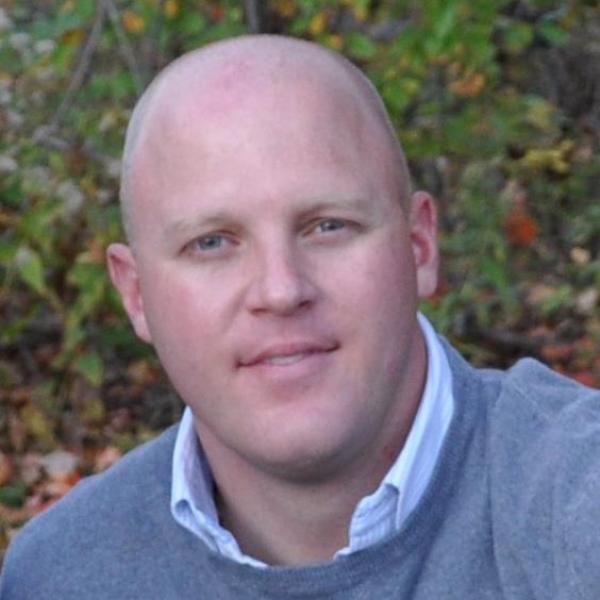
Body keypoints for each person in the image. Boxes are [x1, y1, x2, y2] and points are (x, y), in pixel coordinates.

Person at [1, 34, 599, 599]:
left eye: (328, 226)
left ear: (419, 246)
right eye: (212, 243)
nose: (281, 290)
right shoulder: (61, 576)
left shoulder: (576, 500)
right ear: (136, 295)